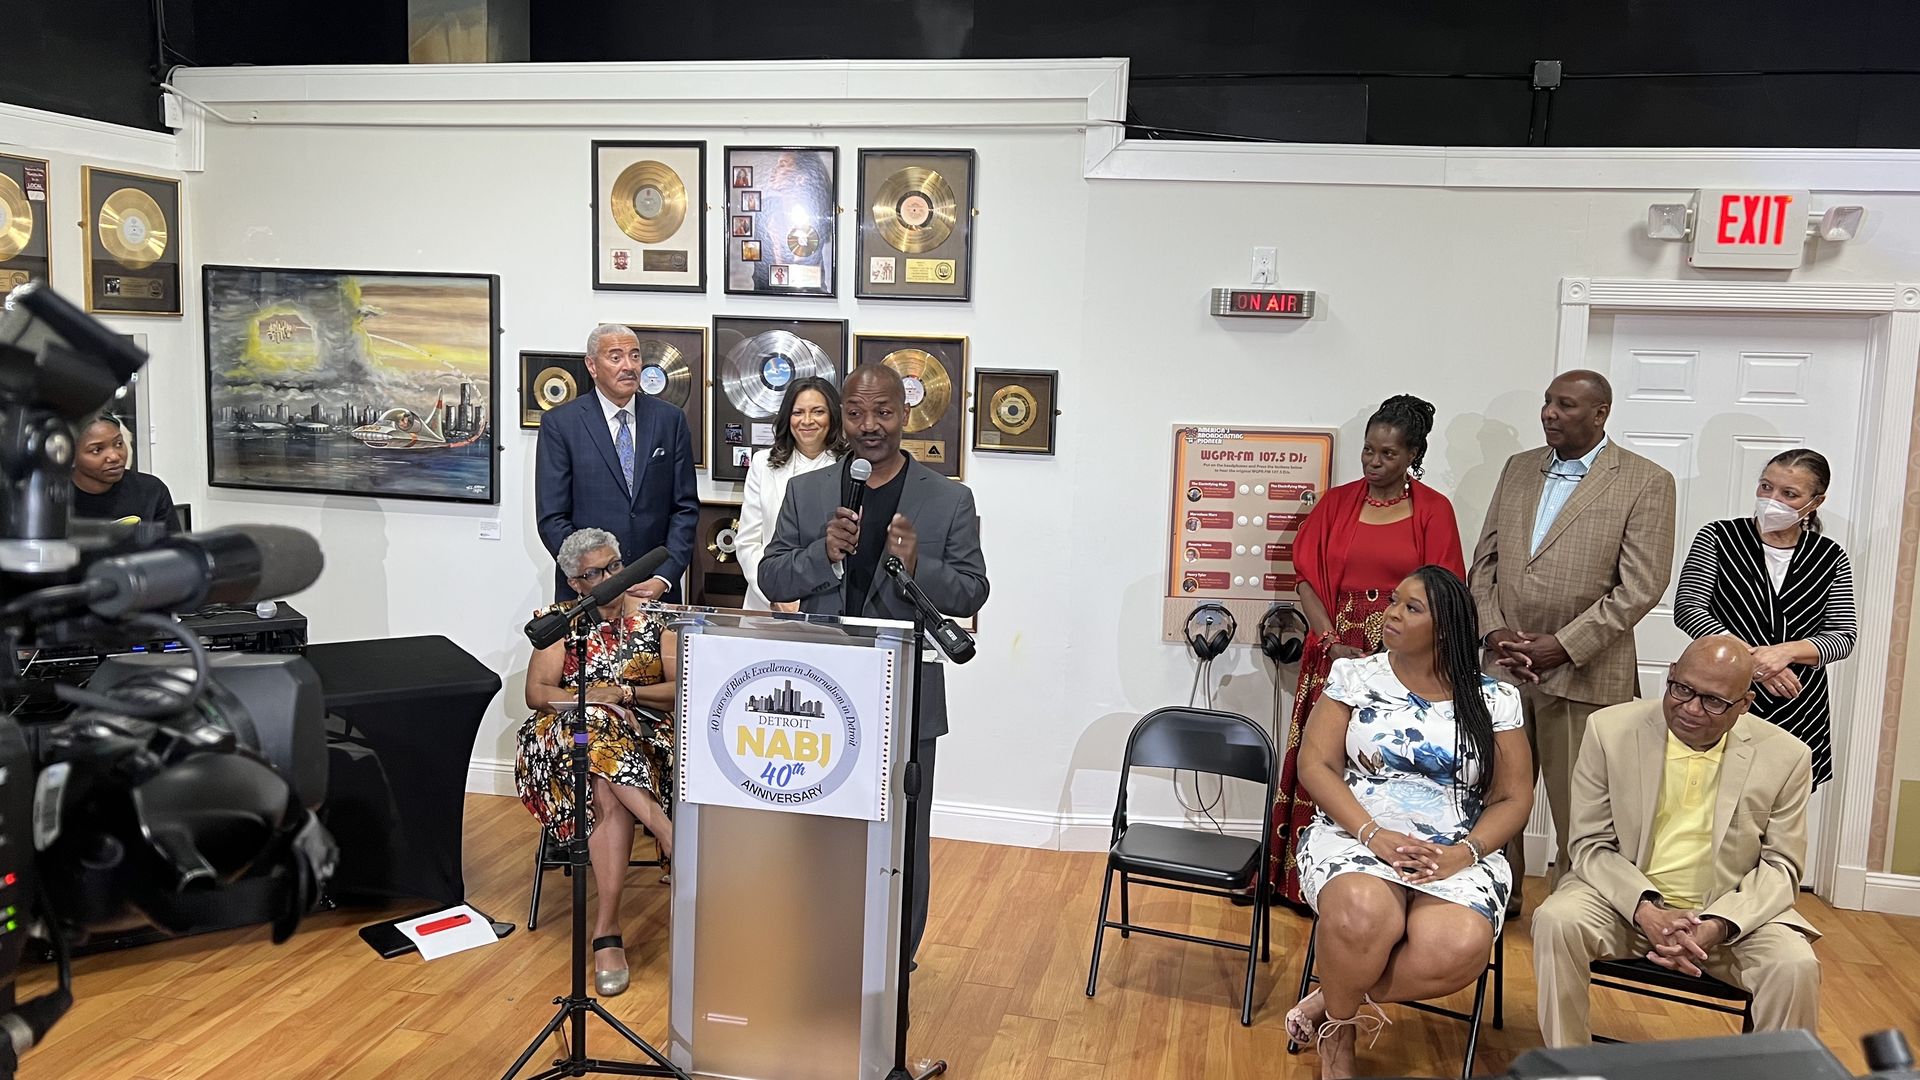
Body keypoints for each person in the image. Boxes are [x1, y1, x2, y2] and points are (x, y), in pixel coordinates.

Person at [758, 363, 989, 964]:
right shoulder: (808, 493)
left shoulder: (948, 500)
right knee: (822, 832)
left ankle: (896, 957)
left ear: (905, 415)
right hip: (820, 695)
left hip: (908, 694)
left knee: (904, 835)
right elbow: (771, 573)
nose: (869, 426)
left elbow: (972, 591)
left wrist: (920, 567)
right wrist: (820, 554)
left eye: (882, 412)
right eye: (856, 413)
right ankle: (816, 947)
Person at [1287, 566, 1533, 1080]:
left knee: (1457, 947)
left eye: (1410, 607)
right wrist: (1373, 835)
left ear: (1445, 630)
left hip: (1456, 848)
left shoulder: (1495, 699)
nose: (1390, 613)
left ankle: (1329, 996)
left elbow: (1513, 798)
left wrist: (1461, 854)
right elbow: (1316, 766)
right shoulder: (1355, 676)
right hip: (1358, 830)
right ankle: (1339, 1037)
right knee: (1362, 913)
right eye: (1394, 601)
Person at [1532, 635, 1819, 1046]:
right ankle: (1568, 1068)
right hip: (1624, 903)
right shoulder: (1610, 730)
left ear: (1745, 705)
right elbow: (1590, 843)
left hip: (1729, 917)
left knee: (1794, 967)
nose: (1690, 709)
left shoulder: (1786, 756)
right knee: (1556, 921)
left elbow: (1782, 868)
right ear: (1669, 675)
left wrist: (1717, 924)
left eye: (1713, 701)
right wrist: (1646, 910)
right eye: (1682, 689)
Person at [1468, 369, 1675, 911]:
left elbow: (1641, 587)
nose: (1549, 414)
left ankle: (1571, 914)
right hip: (1504, 666)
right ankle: (1494, 896)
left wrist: (1562, 645)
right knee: (1493, 794)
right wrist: (1493, 630)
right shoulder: (1518, 469)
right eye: (1546, 402)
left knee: (1579, 811)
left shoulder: (1645, 480)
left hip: (1584, 674)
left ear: (1600, 413)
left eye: (1565, 405)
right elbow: (1484, 562)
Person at [1270, 394, 1466, 904]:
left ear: (1412, 456)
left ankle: (1380, 879)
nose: (1375, 463)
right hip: (1335, 647)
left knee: (1380, 759)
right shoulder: (1337, 504)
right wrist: (1331, 643)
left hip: (1406, 653)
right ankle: (1297, 881)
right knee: (1322, 759)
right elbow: (1307, 581)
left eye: (1388, 455)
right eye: (1368, 452)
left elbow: (1444, 594)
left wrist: (1401, 654)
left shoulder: (1435, 511)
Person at [515, 528, 678, 999]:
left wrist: (624, 694)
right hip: (565, 739)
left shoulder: (657, 618)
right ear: (575, 583)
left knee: (607, 775)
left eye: (614, 566)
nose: (610, 578)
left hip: (646, 737)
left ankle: (607, 932)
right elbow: (537, 695)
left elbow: (677, 691)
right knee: (597, 735)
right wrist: (594, 701)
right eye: (596, 573)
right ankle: (669, 835)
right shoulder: (557, 622)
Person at [1674, 449, 1855, 788]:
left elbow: (1843, 636)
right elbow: (1689, 608)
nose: (1772, 499)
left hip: (1798, 700)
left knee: (1779, 814)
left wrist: (1785, 653)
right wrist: (1753, 661)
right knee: (1704, 803)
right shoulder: (1719, 537)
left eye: (1789, 494)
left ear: (1815, 502)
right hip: (1719, 694)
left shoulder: (1830, 556)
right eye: (1766, 487)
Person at [536, 324, 698, 603]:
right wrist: (596, 577)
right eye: (616, 357)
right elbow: (552, 517)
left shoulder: (669, 420)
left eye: (635, 356)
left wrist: (664, 576)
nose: (629, 366)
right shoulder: (561, 424)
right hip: (587, 594)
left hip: (655, 589)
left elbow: (684, 508)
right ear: (592, 365)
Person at [735, 376, 846, 612]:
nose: (807, 421)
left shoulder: (848, 467)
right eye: (798, 412)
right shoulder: (762, 464)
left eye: (817, 412)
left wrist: (804, 598)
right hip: (767, 604)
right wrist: (777, 594)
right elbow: (748, 542)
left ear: (833, 416)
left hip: (826, 603)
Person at [71, 415, 176, 529]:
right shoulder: (53, 498)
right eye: (97, 450)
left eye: (119, 444)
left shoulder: (151, 491)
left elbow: (173, 545)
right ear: (70, 455)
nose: (114, 456)